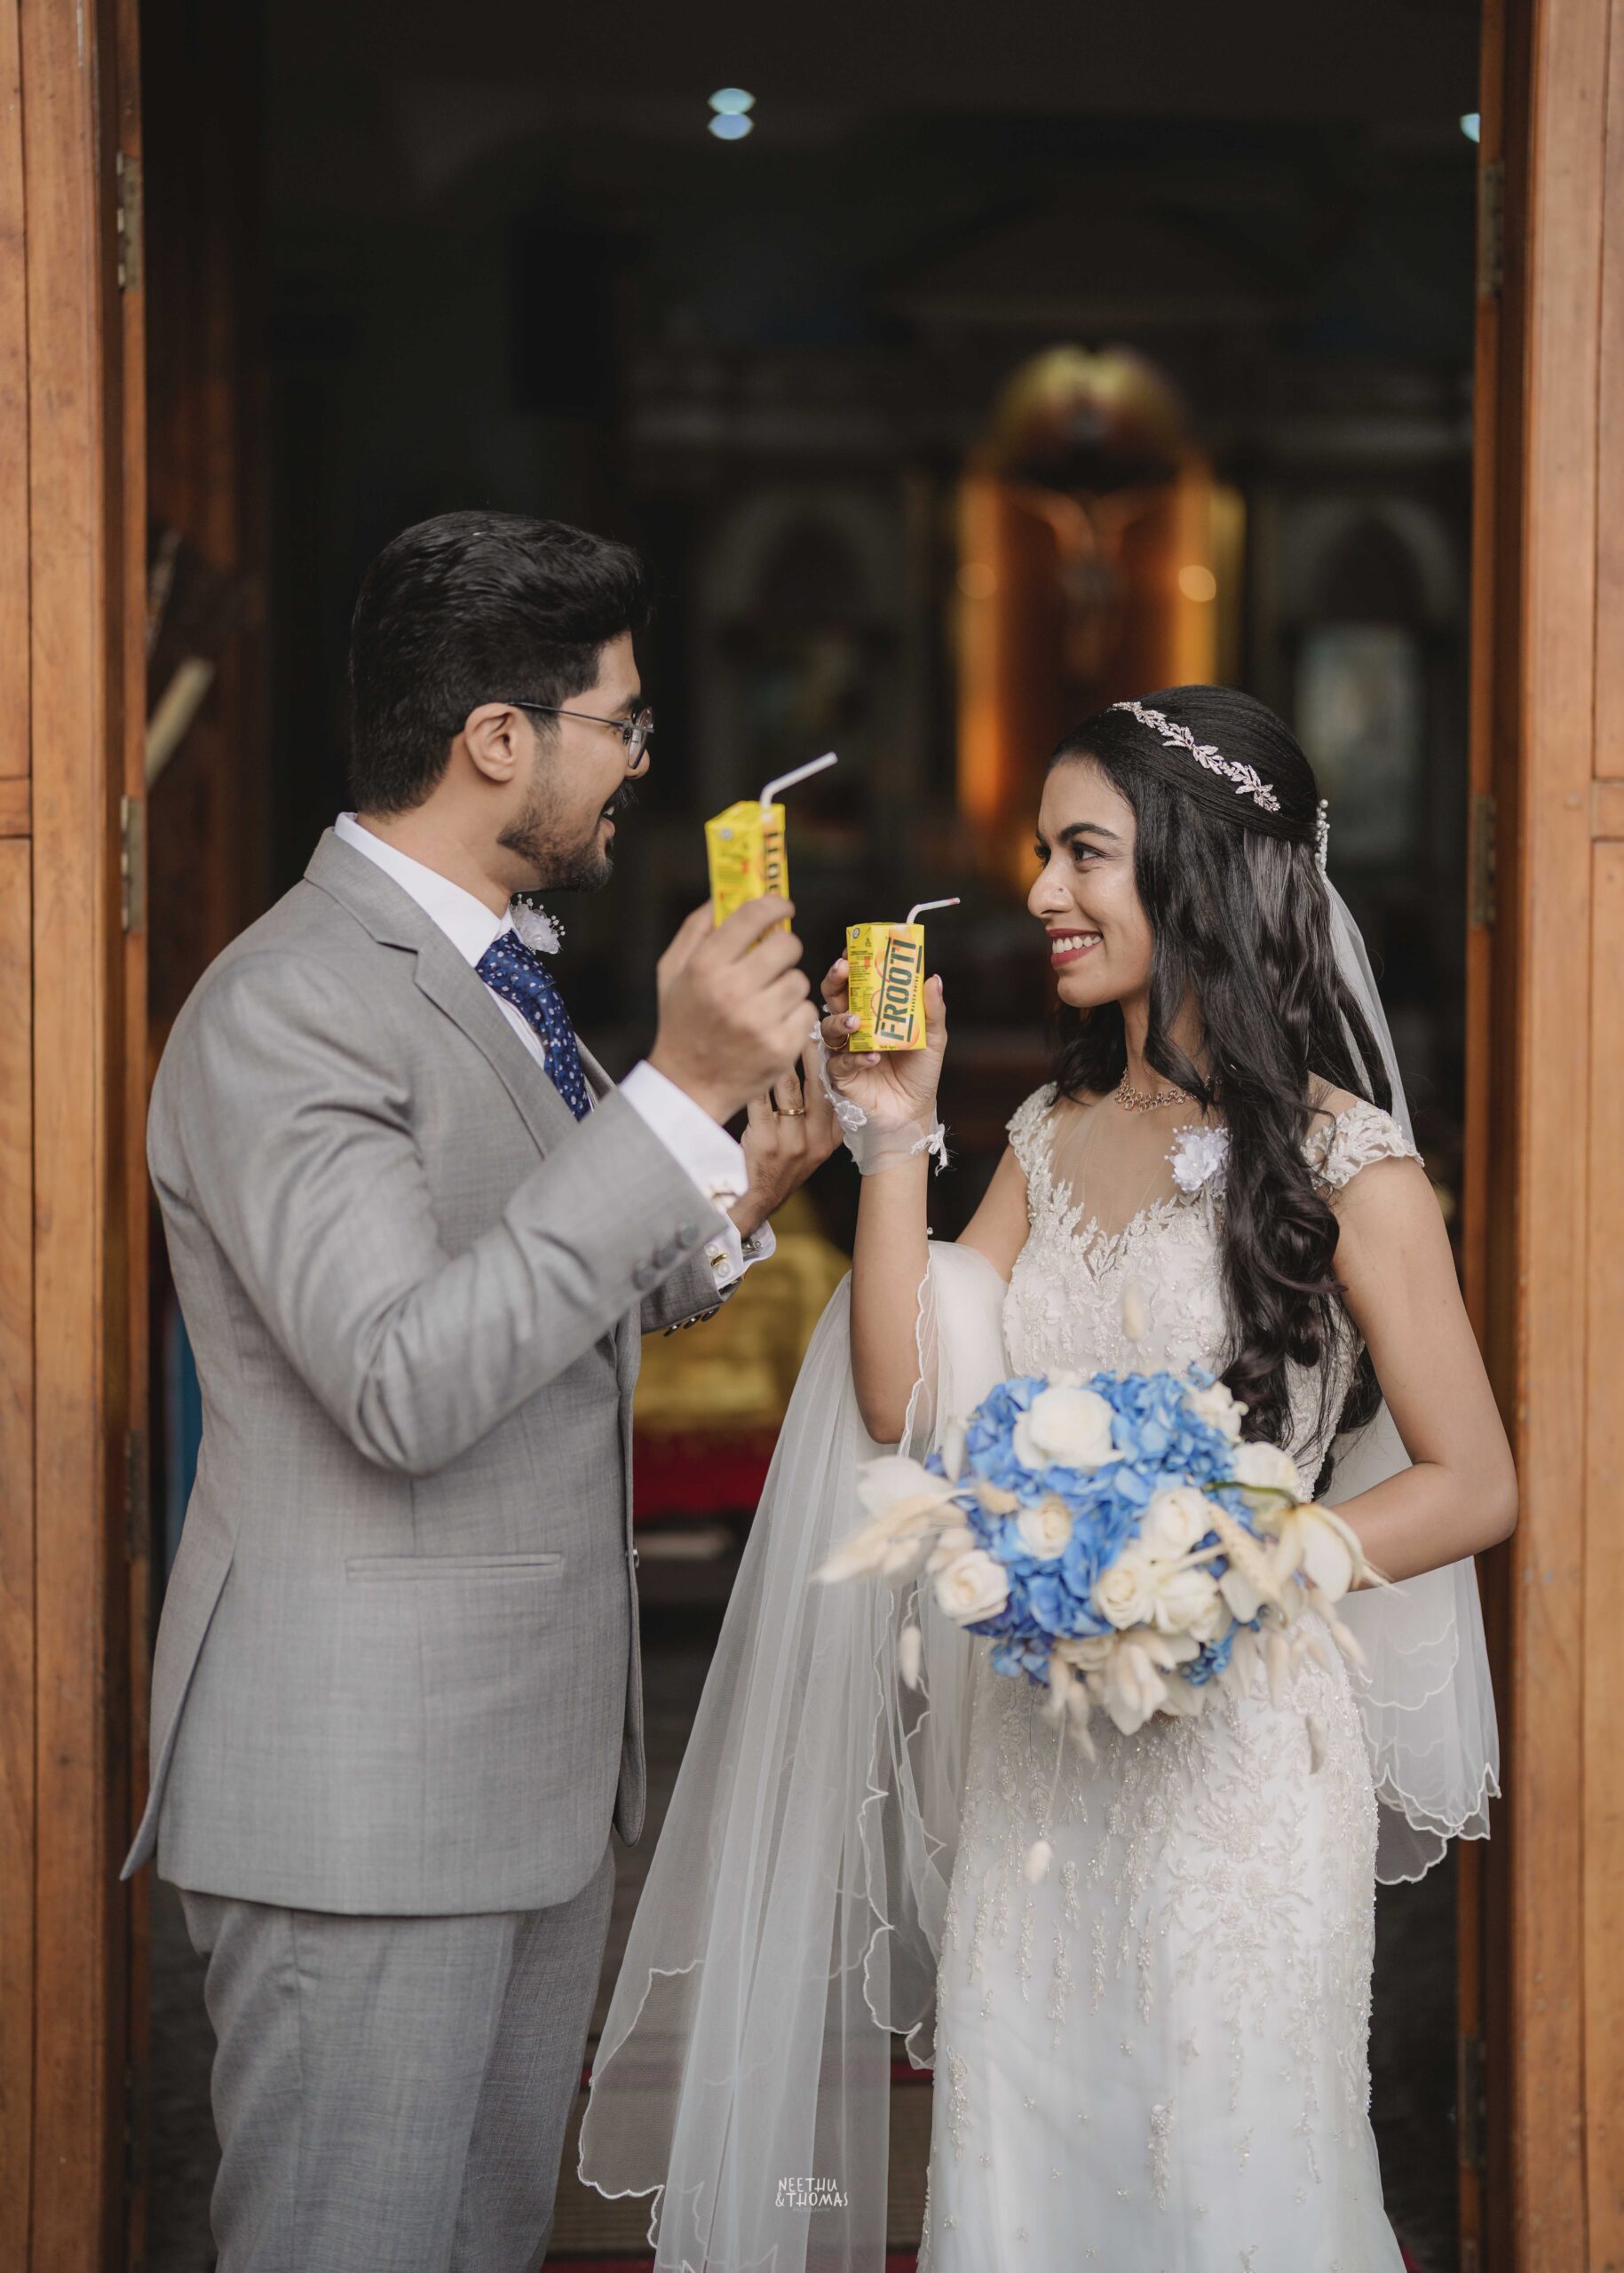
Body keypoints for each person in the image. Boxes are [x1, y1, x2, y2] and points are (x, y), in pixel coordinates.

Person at [580, 685, 1511, 2270]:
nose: (1038, 891)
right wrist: (892, 1140)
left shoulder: (1350, 1165)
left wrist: (1240, 1563)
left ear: (1198, 865)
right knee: (1025, 2168)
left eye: (1082, 852)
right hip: (1041, 1768)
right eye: (1039, 852)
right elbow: (903, 1397)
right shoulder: (1047, 1129)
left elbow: (1472, 1482)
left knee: (1225, 2176)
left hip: (1238, 1770)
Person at [122, 511, 836, 2273]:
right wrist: (672, 1087)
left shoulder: (495, 968)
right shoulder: (290, 1004)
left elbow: (554, 1277)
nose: (642, 761)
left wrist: (745, 1173)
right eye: (623, 721)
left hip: (520, 1779)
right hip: (361, 1795)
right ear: (498, 738)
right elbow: (405, 1377)